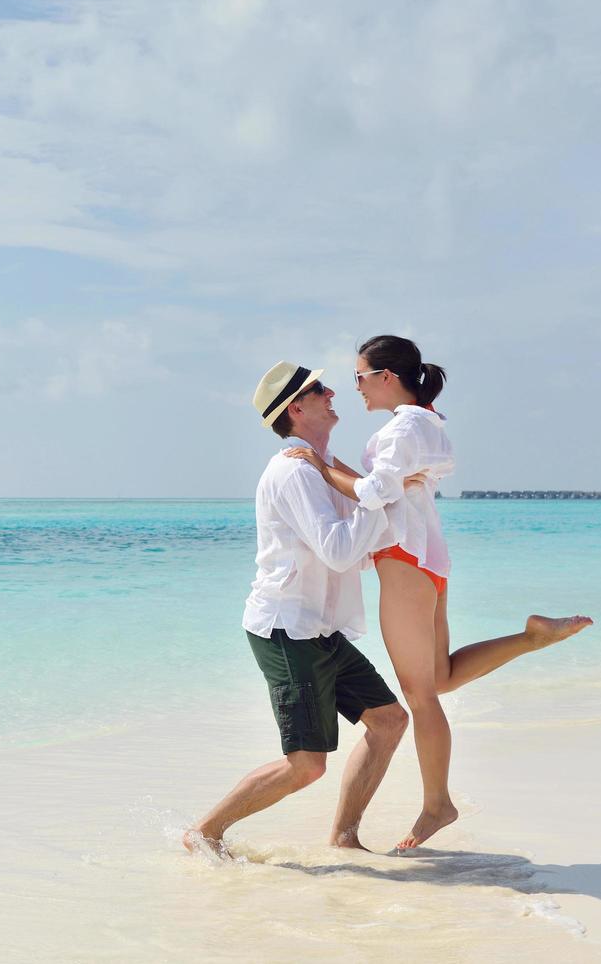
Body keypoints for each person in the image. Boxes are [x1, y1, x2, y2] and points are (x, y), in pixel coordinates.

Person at [283, 335, 593, 851]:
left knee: (421, 695)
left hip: (405, 559)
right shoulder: (421, 423)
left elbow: (376, 493)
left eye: (358, 377)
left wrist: (319, 467)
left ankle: (436, 805)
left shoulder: (405, 426)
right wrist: (348, 474)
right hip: (425, 558)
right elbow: (389, 485)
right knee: (441, 676)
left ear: (386, 376)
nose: (352, 387)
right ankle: (530, 638)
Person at [183, 361, 411, 859]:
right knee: (306, 765)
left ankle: (344, 838)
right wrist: (380, 496)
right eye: (318, 389)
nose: (333, 392)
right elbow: (340, 550)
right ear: (295, 407)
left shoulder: (324, 466)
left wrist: (381, 492)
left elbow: (377, 533)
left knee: (390, 721)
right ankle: (205, 832)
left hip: (321, 629)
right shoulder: (294, 472)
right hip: (287, 629)